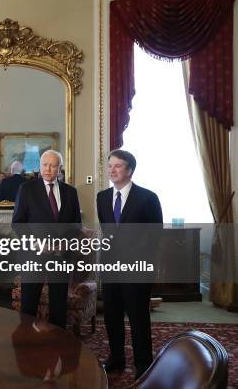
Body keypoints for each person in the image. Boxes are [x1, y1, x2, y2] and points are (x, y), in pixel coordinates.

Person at [97, 149, 162, 380]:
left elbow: (154, 236)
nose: (112, 170)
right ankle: (116, 357)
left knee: (138, 317)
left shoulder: (148, 198)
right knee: (112, 315)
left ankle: (143, 364)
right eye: (110, 165)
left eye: (118, 166)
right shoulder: (102, 197)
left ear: (130, 170)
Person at [12, 150, 81, 329]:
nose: (48, 169)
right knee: (28, 306)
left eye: (53, 165)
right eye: (45, 165)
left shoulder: (70, 192)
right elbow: (18, 223)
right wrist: (37, 243)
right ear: (40, 166)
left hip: (61, 256)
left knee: (59, 306)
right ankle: (26, 346)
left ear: (60, 168)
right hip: (33, 256)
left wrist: (66, 243)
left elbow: (76, 226)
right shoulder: (27, 189)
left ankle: (57, 349)